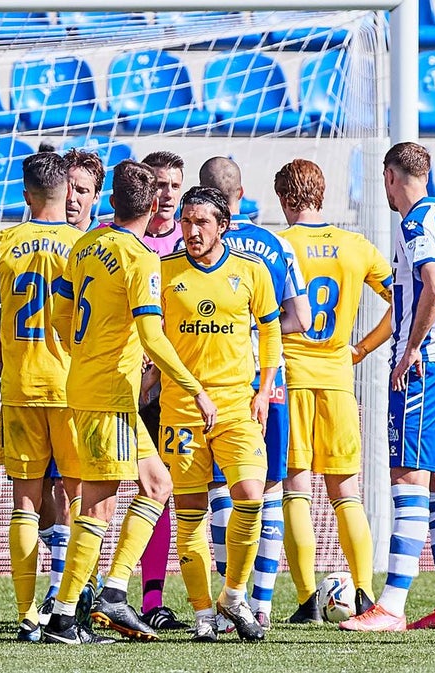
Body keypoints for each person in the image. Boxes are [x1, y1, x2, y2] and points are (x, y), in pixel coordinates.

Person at [44, 161, 216, 645]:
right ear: (155, 205)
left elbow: (59, 315)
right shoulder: (141, 258)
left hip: (89, 385)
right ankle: (65, 616)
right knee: (97, 510)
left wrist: (88, 353)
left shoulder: (85, 245)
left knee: (156, 482)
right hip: (110, 394)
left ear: (111, 201)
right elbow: (152, 334)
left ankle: (112, 591)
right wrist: (192, 386)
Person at [341, 142, 435, 633]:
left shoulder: (413, 223)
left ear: (389, 176)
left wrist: (412, 349)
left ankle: (392, 605)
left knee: (407, 482)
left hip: (421, 369)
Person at [0, 152, 86, 642]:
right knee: (77, 499)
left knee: (26, 505)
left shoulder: (4, 241)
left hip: (20, 388)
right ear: (67, 193)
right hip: (73, 386)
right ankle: (65, 602)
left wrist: (6, 350)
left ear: (27, 195)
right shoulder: (85, 245)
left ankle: (26, 614)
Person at [156, 185, 282, 643]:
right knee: (188, 512)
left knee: (251, 495)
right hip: (181, 409)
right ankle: (203, 612)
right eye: (186, 222)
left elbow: (271, 333)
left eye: (201, 222)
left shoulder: (251, 271)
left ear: (223, 225)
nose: (191, 230)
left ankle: (234, 594)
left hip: (237, 404)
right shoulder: (164, 270)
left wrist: (264, 389)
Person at [274, 158, 392, 623]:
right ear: (322, 194)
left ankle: (307, 601)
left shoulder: (277, 245)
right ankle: (363, 595)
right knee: (347, 494)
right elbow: (403, 300)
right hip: (339, 381)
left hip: (290, 380)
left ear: (285, 198)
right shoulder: (355, 246)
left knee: (296, 491)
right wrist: (361, 348)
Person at [198, 156, 310, 628]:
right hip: (270, 384)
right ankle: (258, 603)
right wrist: (259, 328)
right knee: (267, 491)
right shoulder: (275, 245)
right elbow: (302, 319)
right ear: (242, 193)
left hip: (213, 383)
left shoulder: (198, 248)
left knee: (220, 490)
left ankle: (225, 605)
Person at [132, 149, 188, 631]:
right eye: (158, 185)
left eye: (174, 185)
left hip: (170, 392)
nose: (166, 194)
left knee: (166, 493)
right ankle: (81, 594)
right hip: (117, 385)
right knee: (94, 491)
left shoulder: (190, 243)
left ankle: (153, 601)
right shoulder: (120, 241)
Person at [139, 151, 185, 256]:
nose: (169, 194)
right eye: (161, 185)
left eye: (175, 186)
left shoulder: (189, 238)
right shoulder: (124, 237)